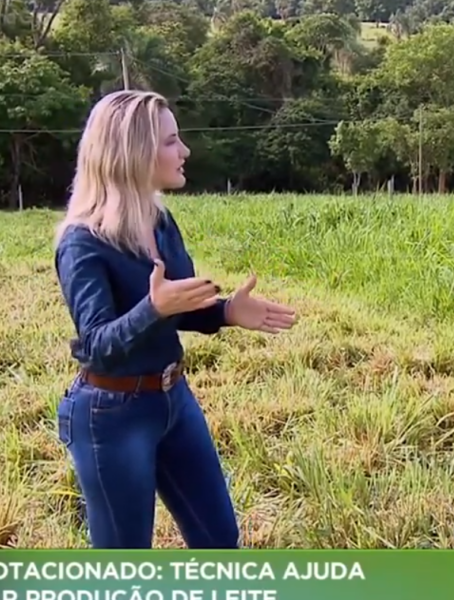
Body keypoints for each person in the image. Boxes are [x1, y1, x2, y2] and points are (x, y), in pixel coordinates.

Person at [52, 89, 298, 549]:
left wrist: (226, 311)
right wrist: (153, 309)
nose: (184, 151)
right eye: (170, 142)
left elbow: (181, 303)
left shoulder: (160, 222)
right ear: (133, 152)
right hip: (112, 413)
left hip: (173, 401)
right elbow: (98, 345)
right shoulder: (82, 242)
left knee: (219, 540)